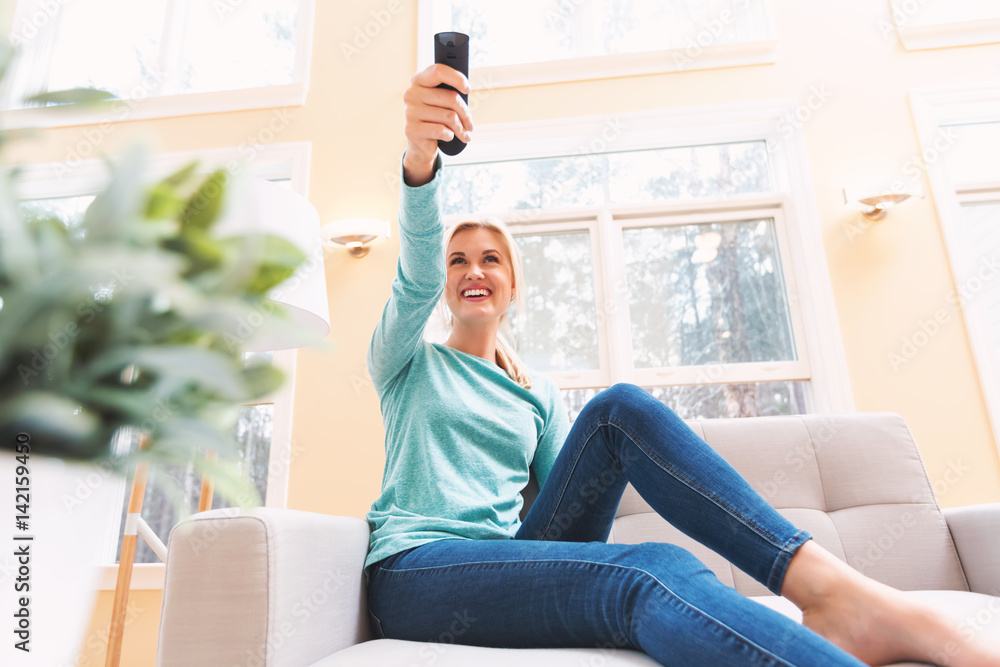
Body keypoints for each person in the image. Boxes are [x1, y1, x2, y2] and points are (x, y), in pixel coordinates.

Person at [363, 63, 1000, 667]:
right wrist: (421, 162)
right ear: (444, 285)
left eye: (491, 259)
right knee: (648, 570)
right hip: (420, 570)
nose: (473, 269)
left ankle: (827, 587)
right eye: (458, 260)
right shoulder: (406, 362)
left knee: (618, 410)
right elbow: (412, 277)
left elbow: (575, 520)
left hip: (510, 561)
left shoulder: (538, 395)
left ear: (511, 286)